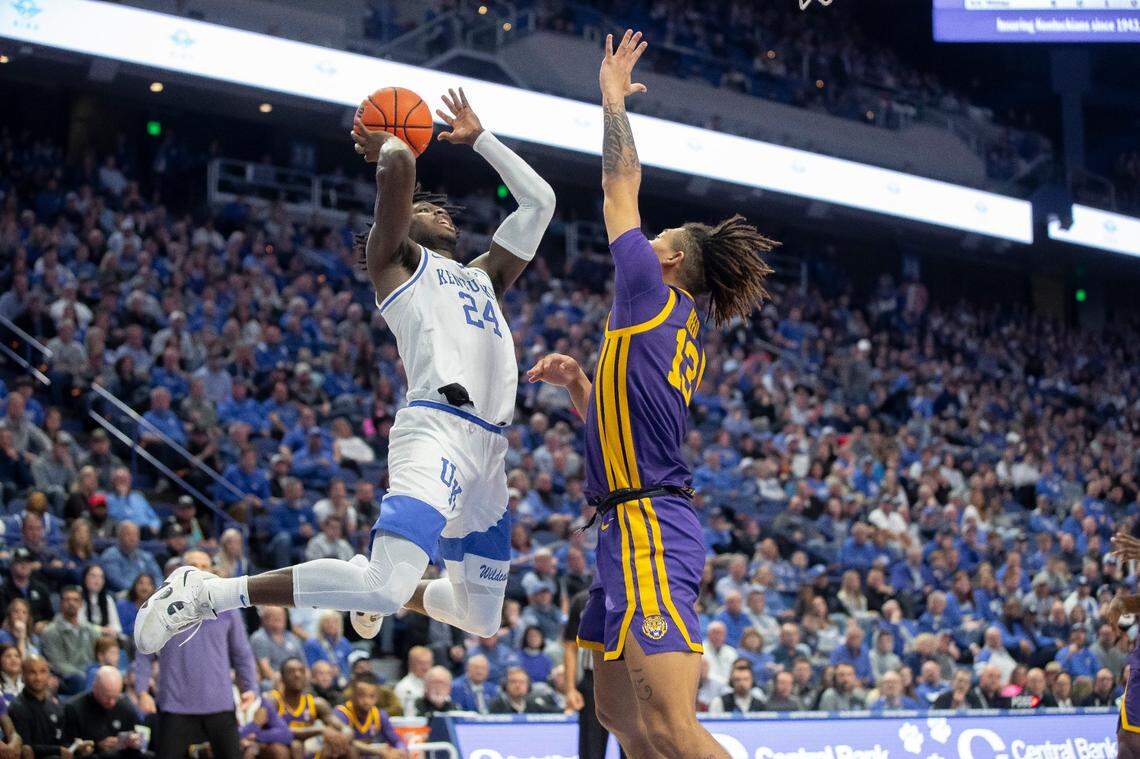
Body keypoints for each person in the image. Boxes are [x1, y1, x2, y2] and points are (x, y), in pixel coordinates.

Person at [134, 84, 556, 660]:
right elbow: (401, 166)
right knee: (385, 589)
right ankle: (207, 592)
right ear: (403, 226)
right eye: (422, 208)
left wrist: (480, 137)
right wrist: (389, 141)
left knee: (478, 617)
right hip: (437, 429)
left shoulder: (485, 276)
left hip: (489, 452)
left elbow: (540, 202)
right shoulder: (398, 263)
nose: (437, 209)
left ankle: (368, 581)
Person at [526, 28, 774, 759]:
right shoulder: (664, 327)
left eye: (654, 235)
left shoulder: (647, 293)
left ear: (664, 259)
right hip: (619, 526)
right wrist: (581, 387)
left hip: (650, 532)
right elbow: (630, 425)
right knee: (620, 719)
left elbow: (618, 184)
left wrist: (610, 100)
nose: (641, 237)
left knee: (670, 726)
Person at [133, 550, 257, 759]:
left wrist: (251, 686)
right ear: (180, 571)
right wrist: (142, 691)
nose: (199, 572)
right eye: (193, 566)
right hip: (175, 704)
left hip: (220, 703)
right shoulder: (162, 607)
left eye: (204, 567)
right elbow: (144, 653)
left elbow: (242, 653)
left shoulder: (228, 608)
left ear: (210, 570)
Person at [265, 658, 351, 759]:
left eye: (301, 671)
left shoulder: (316, 704)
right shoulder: (273, 700)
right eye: (291, 672)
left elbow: (345, 728)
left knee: (346, 747)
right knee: (290, 746)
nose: (297, 675)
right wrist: (320, 730)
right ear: (282, 678)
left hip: (308, 750)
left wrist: (342, 737)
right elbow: (279, 731)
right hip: (283, 750)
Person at [9, 655, 91, 757]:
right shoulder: (17, 708)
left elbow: (60, 740)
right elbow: (25, 749)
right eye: (32, 672)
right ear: (23, 675)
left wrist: (77, 748)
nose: (38, 678)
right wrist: (57, 751)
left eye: (42, 671)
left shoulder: (55, 705)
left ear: (49, 674)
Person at [63, 666, 146, 757]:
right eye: (107, 696)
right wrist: (98, 745)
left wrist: (134, 741)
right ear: (95, 687)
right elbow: (69, 747)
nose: (112, 702)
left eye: (115, 697)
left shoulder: (124, 705)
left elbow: (139, 734)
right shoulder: (74, 708)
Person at [40, 585, 101, 696]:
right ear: (61, 603)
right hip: (66, 678)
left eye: (75, 600)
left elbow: (100, 654)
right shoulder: (51, 631)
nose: (71, 603)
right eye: (67, 600)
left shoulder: (90, 630)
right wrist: (83, 674)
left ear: (81, 604)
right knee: (80, 679)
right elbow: (57, 663)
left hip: (89, 674)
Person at [334, 673, 408, 758]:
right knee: (351, 750)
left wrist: (401, 750)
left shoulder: (379, 715)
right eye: (361, 696)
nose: (366, 701)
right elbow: (345, 742)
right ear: (353, 695)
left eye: (371, 696)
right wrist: (376, 750)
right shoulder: (341, 713)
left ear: (377, 697)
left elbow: (396, 740)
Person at [249, 607, 304, 686]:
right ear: (264, 619)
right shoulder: (259, 638)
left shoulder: (292, 637)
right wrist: (284, 684)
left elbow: (304, 665)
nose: (279, 618)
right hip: (273, 681)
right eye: (273, 616)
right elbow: (265, 669)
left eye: (281, 615)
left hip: (295, 679)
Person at [488, 667, 560, 714]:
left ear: (528, 686)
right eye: (513, 682)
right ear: (505, 685)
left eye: (522, 682)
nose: (518, 685)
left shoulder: (534, 705)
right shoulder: (497, 706)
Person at [392, 646, 432, 716]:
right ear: (411, 663)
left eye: (428, 663)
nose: (425, 667)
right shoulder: (403, 686)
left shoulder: (436, 683)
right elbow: (398, 714)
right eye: (421, 663)